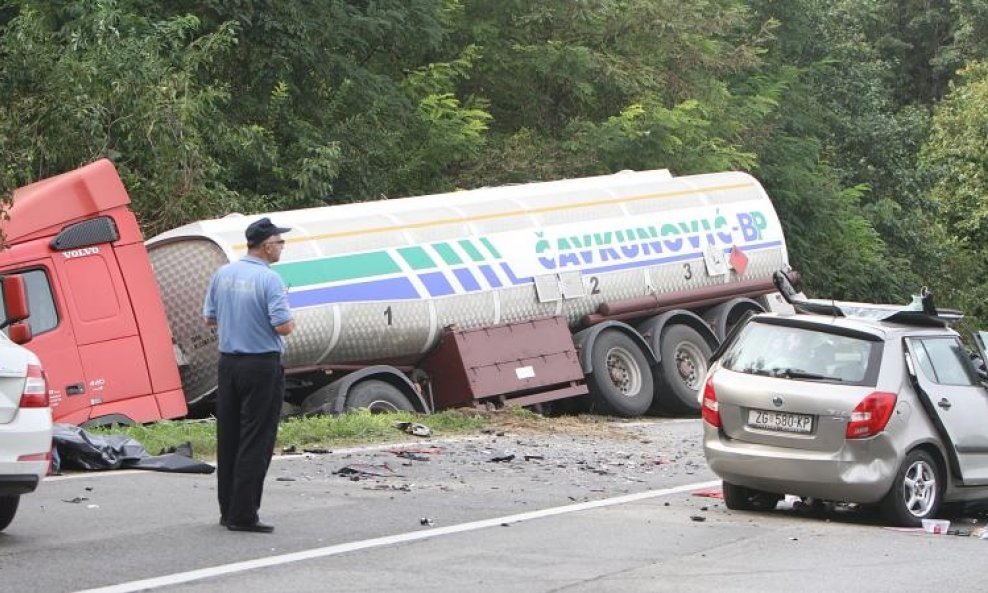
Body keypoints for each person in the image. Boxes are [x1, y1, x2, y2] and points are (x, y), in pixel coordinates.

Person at [203, 217, 295, 533]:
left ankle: (227, 510)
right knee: (257, 438)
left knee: (228, 437)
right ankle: (244, 515)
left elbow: (209, 320)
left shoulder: (223, 274)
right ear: (267, 245)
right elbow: (282, 325)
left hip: (228, 364)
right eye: (280, 242)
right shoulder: (270, 280)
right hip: (261, 364)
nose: (282, 247)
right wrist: (288, 319)